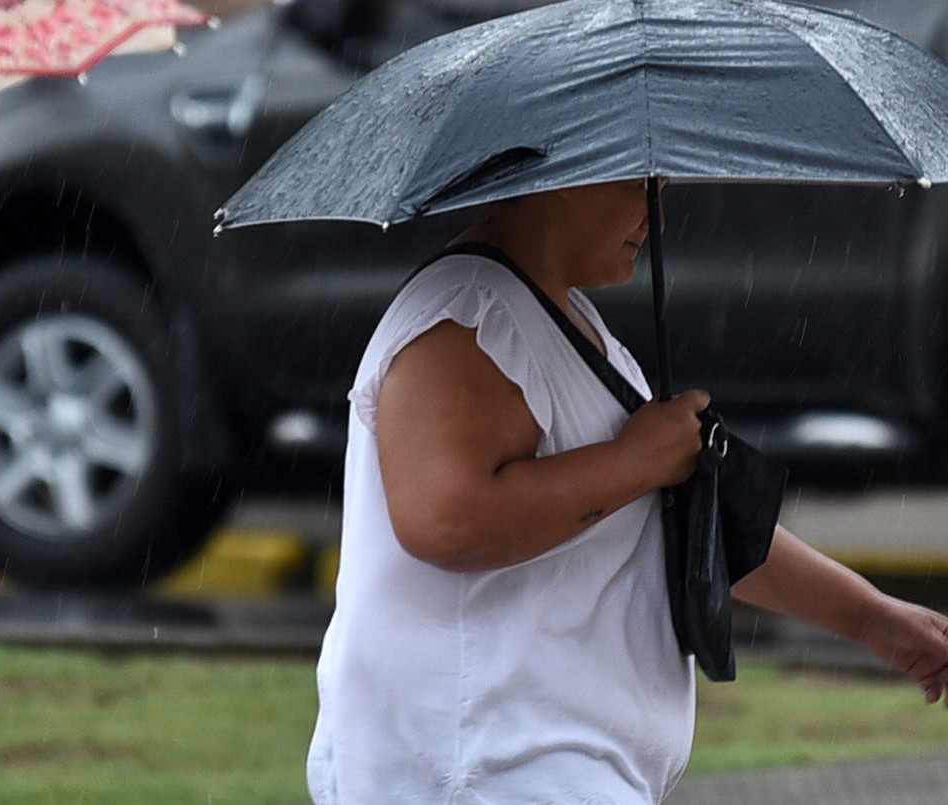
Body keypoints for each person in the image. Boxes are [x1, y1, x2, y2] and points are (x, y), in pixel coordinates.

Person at [306, 179, 948, 804]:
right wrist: (634, 460)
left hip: (539, 767)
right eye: (641, 187)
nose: (656, 219)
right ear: (565, 173)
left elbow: (684, 525)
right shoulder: (470, 320)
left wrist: (872, 617)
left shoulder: (560, 317)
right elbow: (444, 521)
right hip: (487, 768)